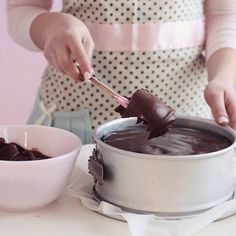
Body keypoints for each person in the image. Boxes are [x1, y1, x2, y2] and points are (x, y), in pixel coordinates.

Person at [6, 0, 236, 144]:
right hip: (77, 121)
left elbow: (225, 15)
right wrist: (50, 27)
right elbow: (21, 9)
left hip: (188, 120)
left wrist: (222, 78)